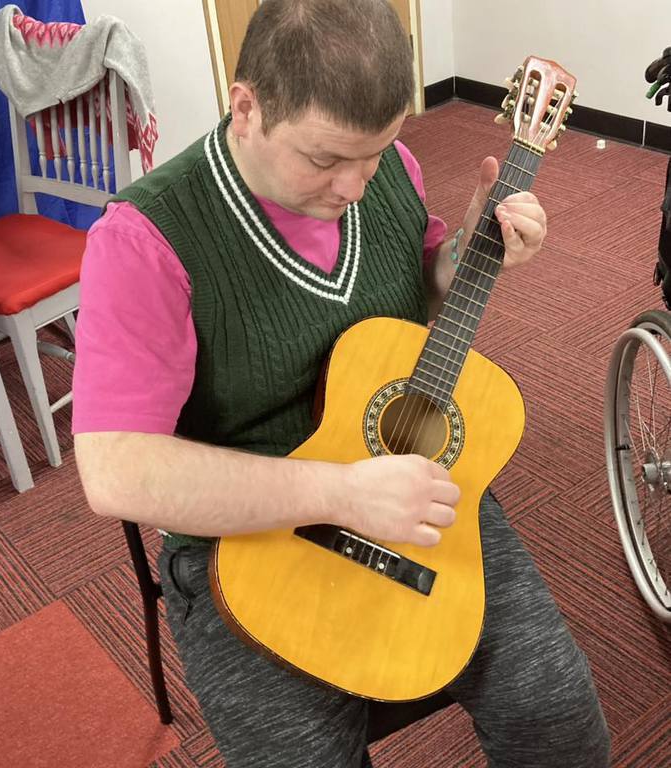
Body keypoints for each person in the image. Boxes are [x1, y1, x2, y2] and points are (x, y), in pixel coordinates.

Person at [73, 1, 611, 765]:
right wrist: (343, 493)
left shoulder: (390, 170)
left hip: (404, 482)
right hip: (245, 542)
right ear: (247, 108)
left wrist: (469, 248)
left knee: (557, 710)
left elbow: (412, 299)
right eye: (325, 159)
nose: (355, 186)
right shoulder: (145, 240)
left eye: (377, 152)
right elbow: (116, 472)